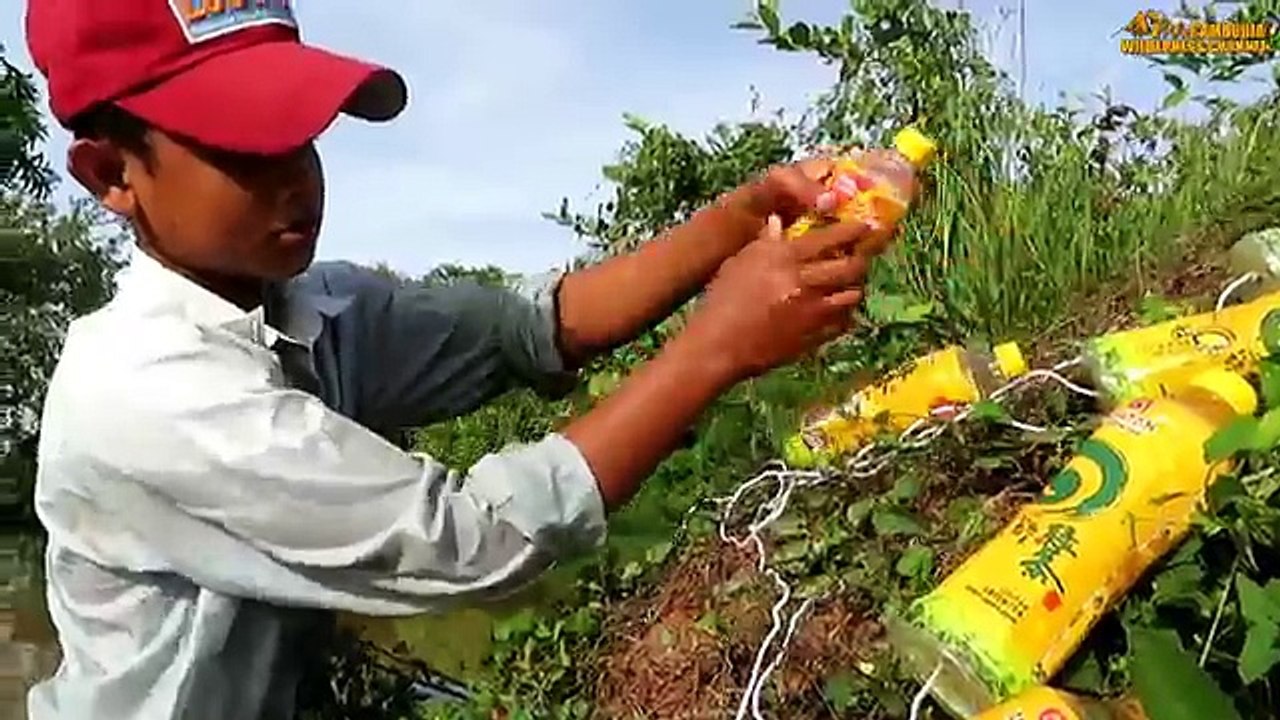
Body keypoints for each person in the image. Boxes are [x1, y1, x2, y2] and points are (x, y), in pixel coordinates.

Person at [24, 1, 891, 718]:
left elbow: (531, 327)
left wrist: (739, 219)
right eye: (243, 144)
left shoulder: (313, 310)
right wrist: (718, 347)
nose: (295, 177)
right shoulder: (145, 393)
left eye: (300, 132)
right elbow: (470, 545)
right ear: (112, 174)